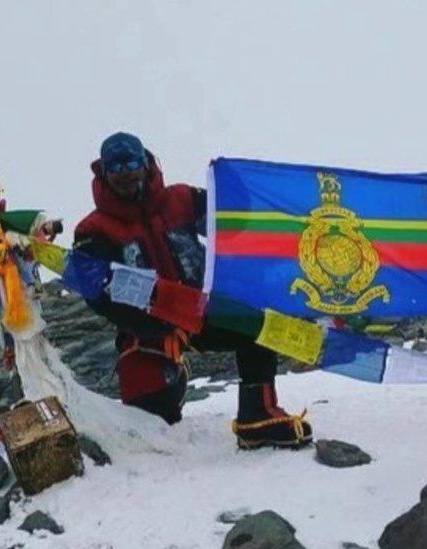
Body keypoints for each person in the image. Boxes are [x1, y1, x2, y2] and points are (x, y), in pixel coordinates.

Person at [73, 132, 312, 449]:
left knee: (255, 322)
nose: (126, 172)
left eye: (131, 162)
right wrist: (155, 324)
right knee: (154, 431)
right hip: (147, 331)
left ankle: (257, 416)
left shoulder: (182, 199)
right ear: (104, 173)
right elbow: (98, 294)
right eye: (115, 167)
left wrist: (231, 186)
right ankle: (172, 380)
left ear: (146, 164)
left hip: (202, 310)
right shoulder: (92, 230)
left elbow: (234, 221)